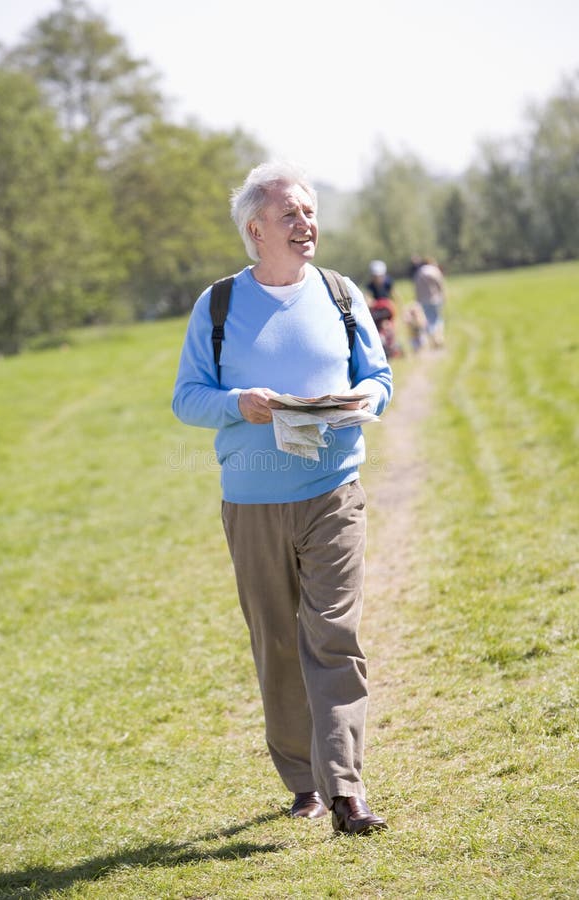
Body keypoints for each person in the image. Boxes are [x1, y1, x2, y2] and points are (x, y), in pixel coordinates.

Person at [172, 161, 393, 835]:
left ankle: (346, 788)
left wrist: (366, 399)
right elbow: (187, 398)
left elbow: (379, 376)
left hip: (332, 494)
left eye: (309, 211)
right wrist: (238, 402)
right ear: (255, 229)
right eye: (290, 214)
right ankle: (304, 782)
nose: (305, 224)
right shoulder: (216, 307)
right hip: (253, 505)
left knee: (335, 638)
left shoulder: (341, 294)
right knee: (276, 642)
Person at [365, 260, 404, 359]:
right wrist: (371, 303)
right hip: (377, 311)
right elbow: (368, 298)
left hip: (387, 310)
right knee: (379, 331)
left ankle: (393, 348)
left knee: (390, 329)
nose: (378, 278)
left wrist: (399, 307)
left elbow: (395, 295)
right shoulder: (370, 285)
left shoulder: (388, 283)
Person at [410, 256, 446, 348]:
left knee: (428, 320)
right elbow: (440, 283)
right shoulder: (434, 270)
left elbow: (416, 287)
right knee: (437, 318)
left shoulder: (419, 272)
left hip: (423, 299)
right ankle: (438, 338)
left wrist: (417, 299)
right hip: (435, 298)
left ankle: (432, 338)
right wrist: (443, 295)